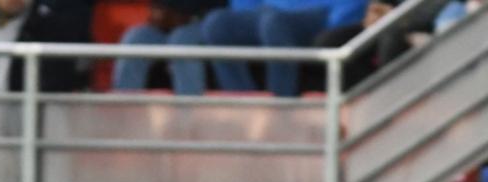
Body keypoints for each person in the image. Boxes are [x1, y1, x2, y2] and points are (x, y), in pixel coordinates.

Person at [200, 0, 367, 97]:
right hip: (268, 10)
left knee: (274, 24)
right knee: (216, 23)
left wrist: (339, 21)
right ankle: (242, 98)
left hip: (322, 11)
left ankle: (281, 103)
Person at [111, 0, 227, 95]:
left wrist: (184, 14)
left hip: (205, 23)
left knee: (182, 41)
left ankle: (190, 116)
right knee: (135, 38)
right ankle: (124, 112)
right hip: (166, 24)